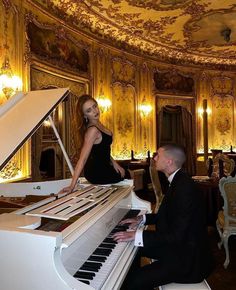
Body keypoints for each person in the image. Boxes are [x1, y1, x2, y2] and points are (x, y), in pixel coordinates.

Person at [113, 144, 213, 290]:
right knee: (134, 249)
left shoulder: (184, 188)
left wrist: (137, 235)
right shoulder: (178, 180)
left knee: (131, 281)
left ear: (169, 161)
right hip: (178, 246)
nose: (154, 158)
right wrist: (143, 219)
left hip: (187, 259)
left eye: (158, 155)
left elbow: (176, 235)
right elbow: (168, 215)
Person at [63, 94, 126, 193]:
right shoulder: (92, 130)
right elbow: (82, 159)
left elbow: (102, 150)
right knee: (127, 174)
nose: (95, 111)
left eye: (94, 106)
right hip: (97, 172)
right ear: (84, 115)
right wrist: (72, 186)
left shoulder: (98, 124)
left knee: (124, 169)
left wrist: (115, 164)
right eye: (89, 110)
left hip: (104, 166)